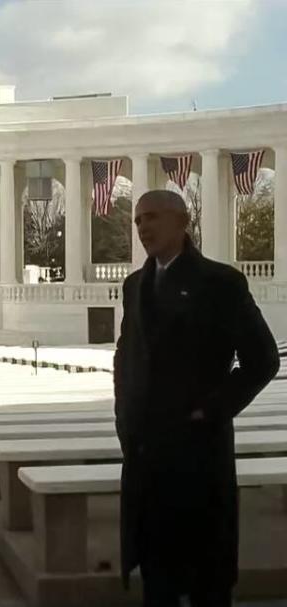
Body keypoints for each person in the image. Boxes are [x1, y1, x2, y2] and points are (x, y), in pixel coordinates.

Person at [114, 190, 279, 606]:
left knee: (207, 583)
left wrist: (211, 410)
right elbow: (125, 356)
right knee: (157, 582)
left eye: (152, 218)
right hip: (146, 458)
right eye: (137, 221)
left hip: (198, 456)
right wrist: (124, 417)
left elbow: (263, 360)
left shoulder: (220, 282)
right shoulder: (134, 286)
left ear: (182, 221)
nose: (143, 228)